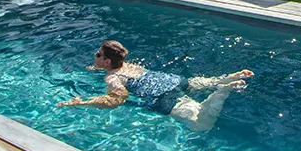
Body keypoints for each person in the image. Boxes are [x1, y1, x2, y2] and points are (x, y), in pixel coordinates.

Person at [57, 40, 253, 132]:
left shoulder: (112, 79)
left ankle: (223, 91)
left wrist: (83, 103)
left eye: (98, 54)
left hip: (163, 96)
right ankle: (227, 79)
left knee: (201, 125)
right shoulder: (128, 65)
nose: (95, 55)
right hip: (173, 80)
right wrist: (95, 67)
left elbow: (117, 100)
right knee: (199, 83)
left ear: (107, 62)